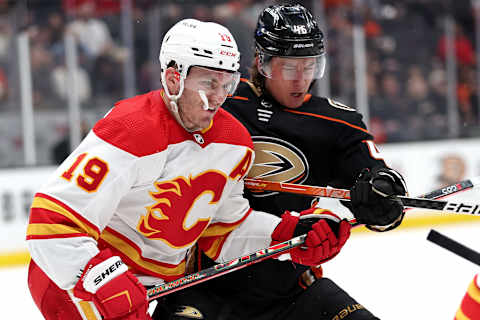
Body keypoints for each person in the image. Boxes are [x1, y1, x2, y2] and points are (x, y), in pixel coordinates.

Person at [26, 18, 351, 320]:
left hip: (153, 287)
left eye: (226, 84)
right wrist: (100, 278)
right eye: (209, 82)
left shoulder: (233, 141)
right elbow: (51, 223)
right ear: (173, 78)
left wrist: (284, 234)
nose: (218, 98)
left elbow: (221, 230)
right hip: (75, 282)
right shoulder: (132, 129)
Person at [163, 4, 408, 320]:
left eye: (310, 67)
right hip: (205, 289)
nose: (301, 80)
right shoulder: (216, 101)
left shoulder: (334, 122)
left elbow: (382, 194)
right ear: (261, 62)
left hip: (292, 292)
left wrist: (381, 195)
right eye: (290, 68)